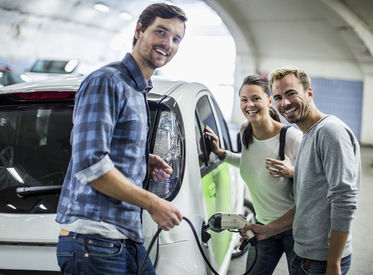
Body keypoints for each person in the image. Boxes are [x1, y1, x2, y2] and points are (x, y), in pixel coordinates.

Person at [55, 3, 187, 275]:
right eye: (161, 32)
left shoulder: (136, 89)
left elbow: (101, 147)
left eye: (176, 38)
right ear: (139, 30)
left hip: (122, 237)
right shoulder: (107, 81)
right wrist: (153, 203)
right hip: (94, 239)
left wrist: (141, 160)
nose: (168, 43)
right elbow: (91, 165)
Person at [242, 66, 361, 275]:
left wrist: (333, 263)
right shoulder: (308, 136)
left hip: (322, 260)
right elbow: (306, 202)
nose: (284, 103)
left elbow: (345, 200)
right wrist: (266, 230)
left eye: (291, 94)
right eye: (278, 97)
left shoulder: (330, 132)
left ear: (309, 93)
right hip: (306, 254)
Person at [203, 75, 303, 275]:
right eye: (244, 99)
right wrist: (221, 153)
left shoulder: (291, 137)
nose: (250, 104)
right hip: (262, 225)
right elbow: (251, 163)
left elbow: (314, 181)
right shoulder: (246, 132)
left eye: (256, 98)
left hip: (295, 229)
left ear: (269, 100)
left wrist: (292, 172)